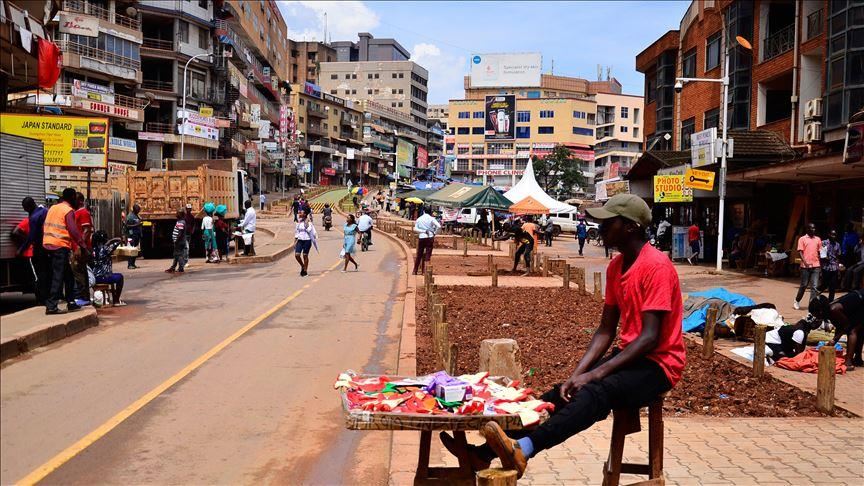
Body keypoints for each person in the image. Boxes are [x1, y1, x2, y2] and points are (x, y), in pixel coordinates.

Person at [453, 195, 683, 479]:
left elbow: (649, 338)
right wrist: (578, 374)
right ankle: (484, 453)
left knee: (596, 392)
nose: (602, 229)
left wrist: (594, 376)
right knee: (560, 393)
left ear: (631, 227)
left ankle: (524, 449)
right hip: (631, 356)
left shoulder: (656, 266)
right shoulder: (615, 267)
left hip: (659, 364)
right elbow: (605, 330)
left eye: (609, 223)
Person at [43, 188, 89, 315]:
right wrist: (83, 246)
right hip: (59, 246)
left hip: (48, 244)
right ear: (72, 198)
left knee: (68, 276)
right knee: (58, 277)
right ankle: (51, 305)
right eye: (75, 197)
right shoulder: (68, 210)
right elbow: (73, 230)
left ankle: (71, 302)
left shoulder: (53, 208)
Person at [810, 291, 864, 369]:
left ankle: (848, 362)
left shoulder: (834, 310)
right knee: (859, 330)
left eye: (814, 313)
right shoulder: (829, 311)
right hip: (858, 303)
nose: (814, 316)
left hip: (861, 304)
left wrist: (835, 339)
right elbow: (839, 326)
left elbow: (846, 325)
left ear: (820, 311)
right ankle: (858, 359)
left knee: (852, 331)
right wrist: (834, 341)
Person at [18, 197, 49, 302]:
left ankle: (42, 298)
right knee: (47, 272)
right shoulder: (44, 210)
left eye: (25, 208)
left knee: (39, 275)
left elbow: (31, 237)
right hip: (49, 246)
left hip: (39, 248)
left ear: (29, 206)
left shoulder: (34, 217)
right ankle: (49, 296)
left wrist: (21, 250)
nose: (24, 210)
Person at [89, 230, 126, 305]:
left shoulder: (92, 250)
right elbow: (117, 242)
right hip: (104, 277)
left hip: (94, 277)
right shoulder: (105, 249)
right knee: (120, 277)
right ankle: (116, 300)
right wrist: (114, 240)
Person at [71, 192, 94, 305]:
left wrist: (80, 247)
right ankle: (83, 297)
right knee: (79, 272)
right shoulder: (76, 213)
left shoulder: (83, 212)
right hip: (78, 247)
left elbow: (87, 230)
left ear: (80, 201)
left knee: (79, 272)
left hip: (81, 248)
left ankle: (82, 297)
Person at [794, 223, 822, 310]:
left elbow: (820, 252)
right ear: (808, 229)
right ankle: (797, 300)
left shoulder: (818, 239)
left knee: (814, 286)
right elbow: (800, 252)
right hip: (805, 266)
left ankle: (812, 304)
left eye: (814, 228)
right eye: (812, 228)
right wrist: (804, 262)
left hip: (816, 265)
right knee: (804, 285)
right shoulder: (802, 239)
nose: (813, 230)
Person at [412, 206, 441, 275]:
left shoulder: (419, 219)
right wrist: (434, 232)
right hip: (430, 237)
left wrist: (423, 231)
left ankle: (415, 271)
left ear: (424, 211)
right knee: (428, 255)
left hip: (422, 237)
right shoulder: (431, 218)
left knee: (419, 254)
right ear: (430, 211)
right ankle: (425, 272)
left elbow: (415, 229)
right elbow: (439, 226)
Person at [820, 230, 842, 301]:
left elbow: (838, 257)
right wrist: (826, 258)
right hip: (826, 267)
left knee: (832, 287)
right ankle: (815, 298)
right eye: (832, 235)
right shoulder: (824, 243)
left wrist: (838, 269)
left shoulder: (837, 245)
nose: (834, 236)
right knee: (824, 285)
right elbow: (822, 254)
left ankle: (830, 302)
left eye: (835, 235)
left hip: (834, 268)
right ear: (829, 234)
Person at [294, 209, 317, 276]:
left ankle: (305, 271)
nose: (299, 213)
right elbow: (296, 232)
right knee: (297, 255)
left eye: (301, 213)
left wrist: (306, 223)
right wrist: (295, 241)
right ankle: (303, 265)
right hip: (300, 240)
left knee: (305, 255)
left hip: (307, 240)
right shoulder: (298, 223)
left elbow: (309, 230)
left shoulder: (309, 223)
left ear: (304, 214)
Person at [125, 204, 142, 269]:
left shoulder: (136, 215)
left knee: (135, 250)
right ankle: (129, 265)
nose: (139, 211)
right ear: (135, 210)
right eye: (138, 210)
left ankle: (133, 264)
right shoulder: (130, 216)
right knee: (131, 250)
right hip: (131, 236)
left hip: (136, 235)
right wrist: (137, 225)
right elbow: (127, 226)